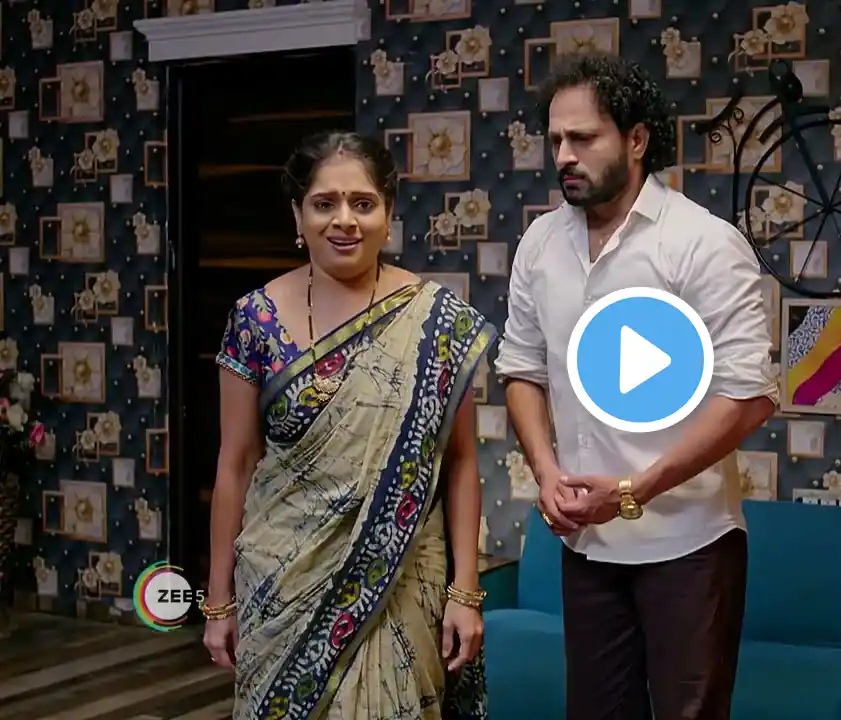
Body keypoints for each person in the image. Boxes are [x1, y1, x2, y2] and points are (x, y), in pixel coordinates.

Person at [494, 53, 777, 720]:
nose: (565, 155)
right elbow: (522, 369)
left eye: (584, 137)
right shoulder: (539, 244)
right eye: (556, 140)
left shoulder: (703, 243)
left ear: (637, 139)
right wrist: (546, 473)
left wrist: (634, 490)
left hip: (689, 544)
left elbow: (749, 397)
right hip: (586, 545)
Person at [203, 131, 495, 720]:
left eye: (363, 203)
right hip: (280, 581)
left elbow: (462, 462)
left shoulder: (437, 322)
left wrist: (465, 592)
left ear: (388, 214)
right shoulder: (255, 319)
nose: (344, 221)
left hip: (402, 583)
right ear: (298, 216)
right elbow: (235, 463)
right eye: (324, 203)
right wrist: (218, 600)